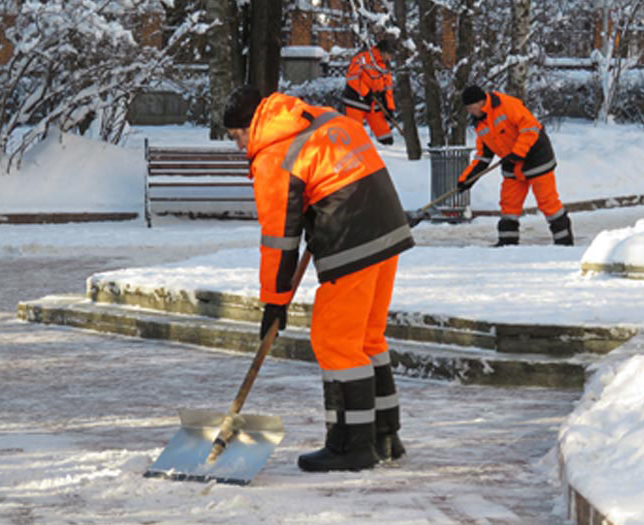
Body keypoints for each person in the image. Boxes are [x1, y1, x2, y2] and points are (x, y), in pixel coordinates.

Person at [223, 85, 414, 473]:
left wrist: (274, 300)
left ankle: (350, 447)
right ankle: (384, 436)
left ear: (247, 127)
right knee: (366, 338)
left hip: (351, 237)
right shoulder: (320, 119)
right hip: (389, 228)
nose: (239, 147)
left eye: (235, 138)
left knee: (335, 340)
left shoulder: (275, 154)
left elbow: (279, 240)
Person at [456, 85, 574, 246]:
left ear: (481, 102)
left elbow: (530, 127)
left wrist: (519, 152)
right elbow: (483, 154)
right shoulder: (479, 123)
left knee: (547, 201)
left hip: (536, 157)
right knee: (509, 204)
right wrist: (468, 178)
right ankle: (507, 242)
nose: (469, 111)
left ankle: (564, 241)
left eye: (471, 107)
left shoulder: (506, 105)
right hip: (511, 161)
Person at [341, 38, 396, 146]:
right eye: (389, 55)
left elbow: (388, 87)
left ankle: (386, 148)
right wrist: (366, 93)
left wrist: (389, 107)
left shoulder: (385, 65)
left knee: (385, 135)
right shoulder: (362, 58)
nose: (390, 58)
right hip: (355, 101)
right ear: (383, 51)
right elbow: (352, 78)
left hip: (373, 103)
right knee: (354, 135)